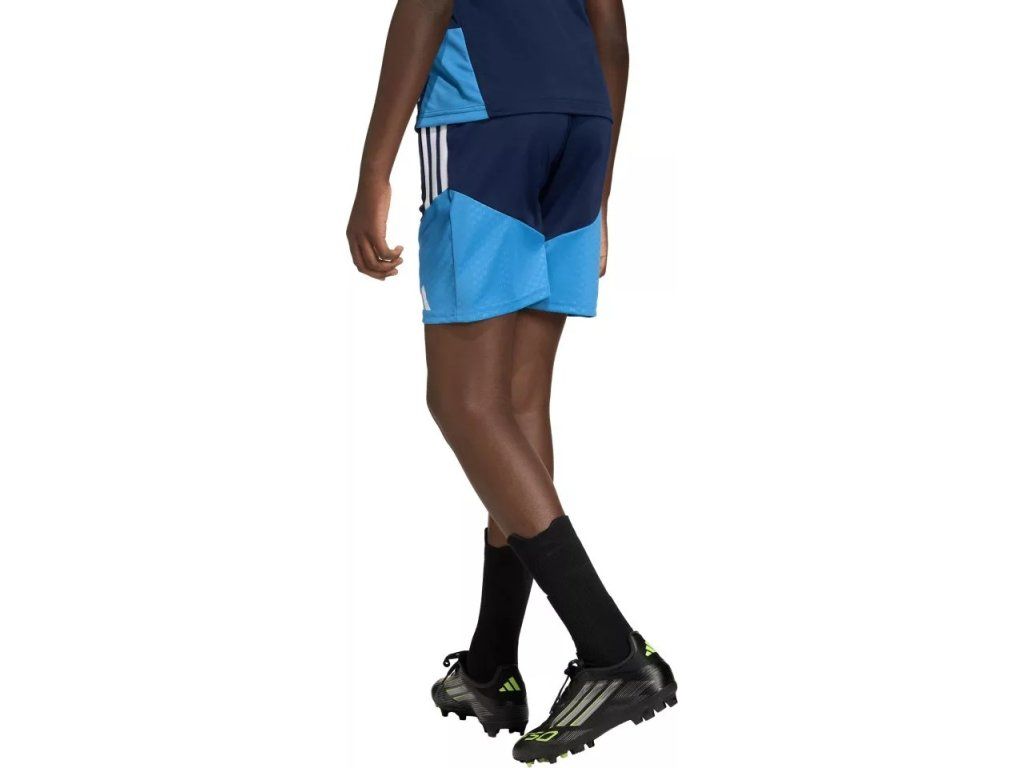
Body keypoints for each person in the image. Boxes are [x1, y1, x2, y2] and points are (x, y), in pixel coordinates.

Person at [347, 0, 675, 761]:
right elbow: (613, 31)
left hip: (489, 117)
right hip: (585, 117)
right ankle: (492, 665)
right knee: (519, 406)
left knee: (462, 400)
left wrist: (372, 174)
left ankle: (610, 651)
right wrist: (600, 191)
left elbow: (426, 5)